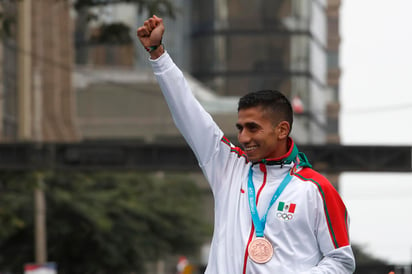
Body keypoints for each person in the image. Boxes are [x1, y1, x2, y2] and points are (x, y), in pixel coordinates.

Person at [137, 15, 356, 274]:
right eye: (240, 128)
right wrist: (158, 55)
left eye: (253, 128)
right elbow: (188, 111)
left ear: (282, 130)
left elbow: (341, 261)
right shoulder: (228, 167)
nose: (243, 138)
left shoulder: (317, 190)